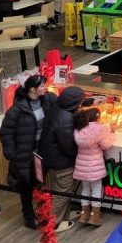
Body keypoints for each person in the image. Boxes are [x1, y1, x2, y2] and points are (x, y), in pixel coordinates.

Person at [0, 74, 55, 229]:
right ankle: (29, 216)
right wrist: (12, 155)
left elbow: (60, 105)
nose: (45, 87)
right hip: (25, 156)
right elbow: (6, 132)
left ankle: (42, 213)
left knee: (40, 183)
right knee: (26, 187)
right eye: (42, 86)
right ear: (32, 89)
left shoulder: (47, 100)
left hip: (41, 154)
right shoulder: (17, 110)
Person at [40, 85, 85, 232]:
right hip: (62, 163)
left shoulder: (57, 109)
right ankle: (55, 223)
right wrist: (78, 153)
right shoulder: (65, 119)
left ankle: (63, 215)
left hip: (51, 159)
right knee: (62, 192)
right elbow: (68, 146)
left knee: (59, 190)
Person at [73, 107, 115, 226]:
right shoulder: (99, 129)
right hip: (94, 166)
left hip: (82, 165)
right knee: (97, 189)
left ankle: (84, 214)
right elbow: (106, 145)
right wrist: (112, 133)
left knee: (85, 189)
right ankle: (95, 216)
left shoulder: (79, 129)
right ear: (97, 117)